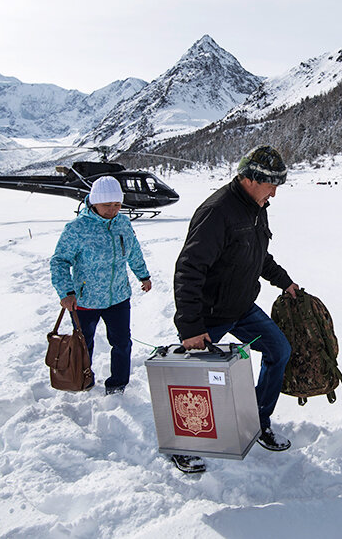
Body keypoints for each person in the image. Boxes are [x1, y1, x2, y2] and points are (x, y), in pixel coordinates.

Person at [172, 145, 299, 474]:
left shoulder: (257, 207)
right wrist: (191, 327)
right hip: (209, 314)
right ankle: (183, 444)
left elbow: (258, 255)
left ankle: (256, 420)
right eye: (271, 185)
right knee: (192, 380)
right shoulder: (217, 211)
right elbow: (189, 269)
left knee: (279, 351)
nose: (274, 193)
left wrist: (284, 281)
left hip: (241, 307)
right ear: (251, 179)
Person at [50, 175, 152, 395]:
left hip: (118, 296)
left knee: (122, 343)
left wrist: (143, 275)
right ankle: (83, 379)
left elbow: (133, 251)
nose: (112, 210)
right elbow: (59, 261)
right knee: (83, 344)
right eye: (107, 205)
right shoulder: (77, 228)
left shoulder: (123, 223)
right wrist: (66, 292)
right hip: (86, 300)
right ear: (94, 202)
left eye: (117, 204)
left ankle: (118, 385)